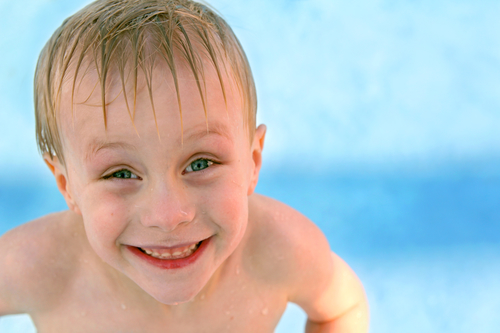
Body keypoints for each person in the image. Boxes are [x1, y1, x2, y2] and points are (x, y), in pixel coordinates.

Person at [0, 0, 369, 331]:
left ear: (253, 161)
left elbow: (341, 308)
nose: (168, 215)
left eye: (201, 163)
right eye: (121, 174)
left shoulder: (280, 249)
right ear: (67, 185)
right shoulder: (38, 267)